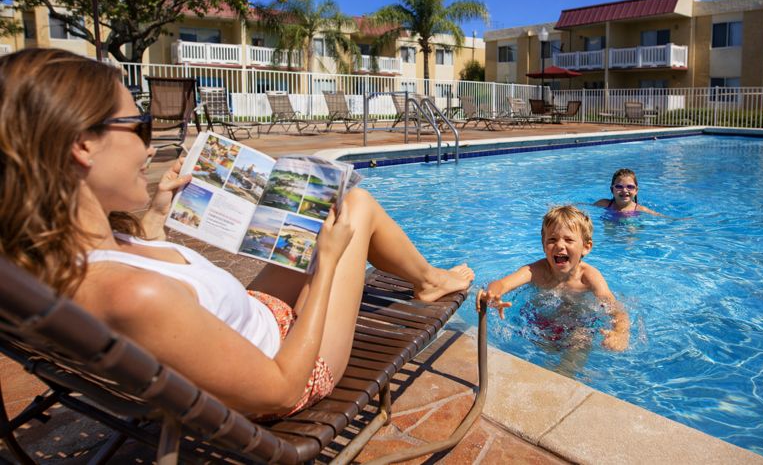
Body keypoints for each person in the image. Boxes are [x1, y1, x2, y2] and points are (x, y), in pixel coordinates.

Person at [0, 48, 474, 418]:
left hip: (251, 322)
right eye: (138, 125)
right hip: (293, 367)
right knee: (356, 205)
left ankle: (425, 275)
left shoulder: (59, 256)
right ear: (83, 145)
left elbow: (133, 261)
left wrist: (155, 216)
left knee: (312, 206)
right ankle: (428, 280)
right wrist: (326, 262)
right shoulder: (133, 295)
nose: (153, 144)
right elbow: (283, 389)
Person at [476, 205, 629, 352]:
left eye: (569, 240)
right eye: (552, 240)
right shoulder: (536, 271)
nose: (560, 245)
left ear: (586, 247)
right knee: (542, 344)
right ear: (543, 245)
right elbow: (502, 283)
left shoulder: (589, 277)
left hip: (579, 322)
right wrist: (493, 294)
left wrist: (620, 333)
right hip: (540, 322)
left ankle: (566, 371)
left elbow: (616, 309)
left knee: (581, 339)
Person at [593, 168, 661, 216]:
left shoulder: (640, 209)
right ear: (612, 190)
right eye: (619, 187)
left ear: (636, 190)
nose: (624, 190)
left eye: (630, 187)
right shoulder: (604, 204)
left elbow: (661, 217)